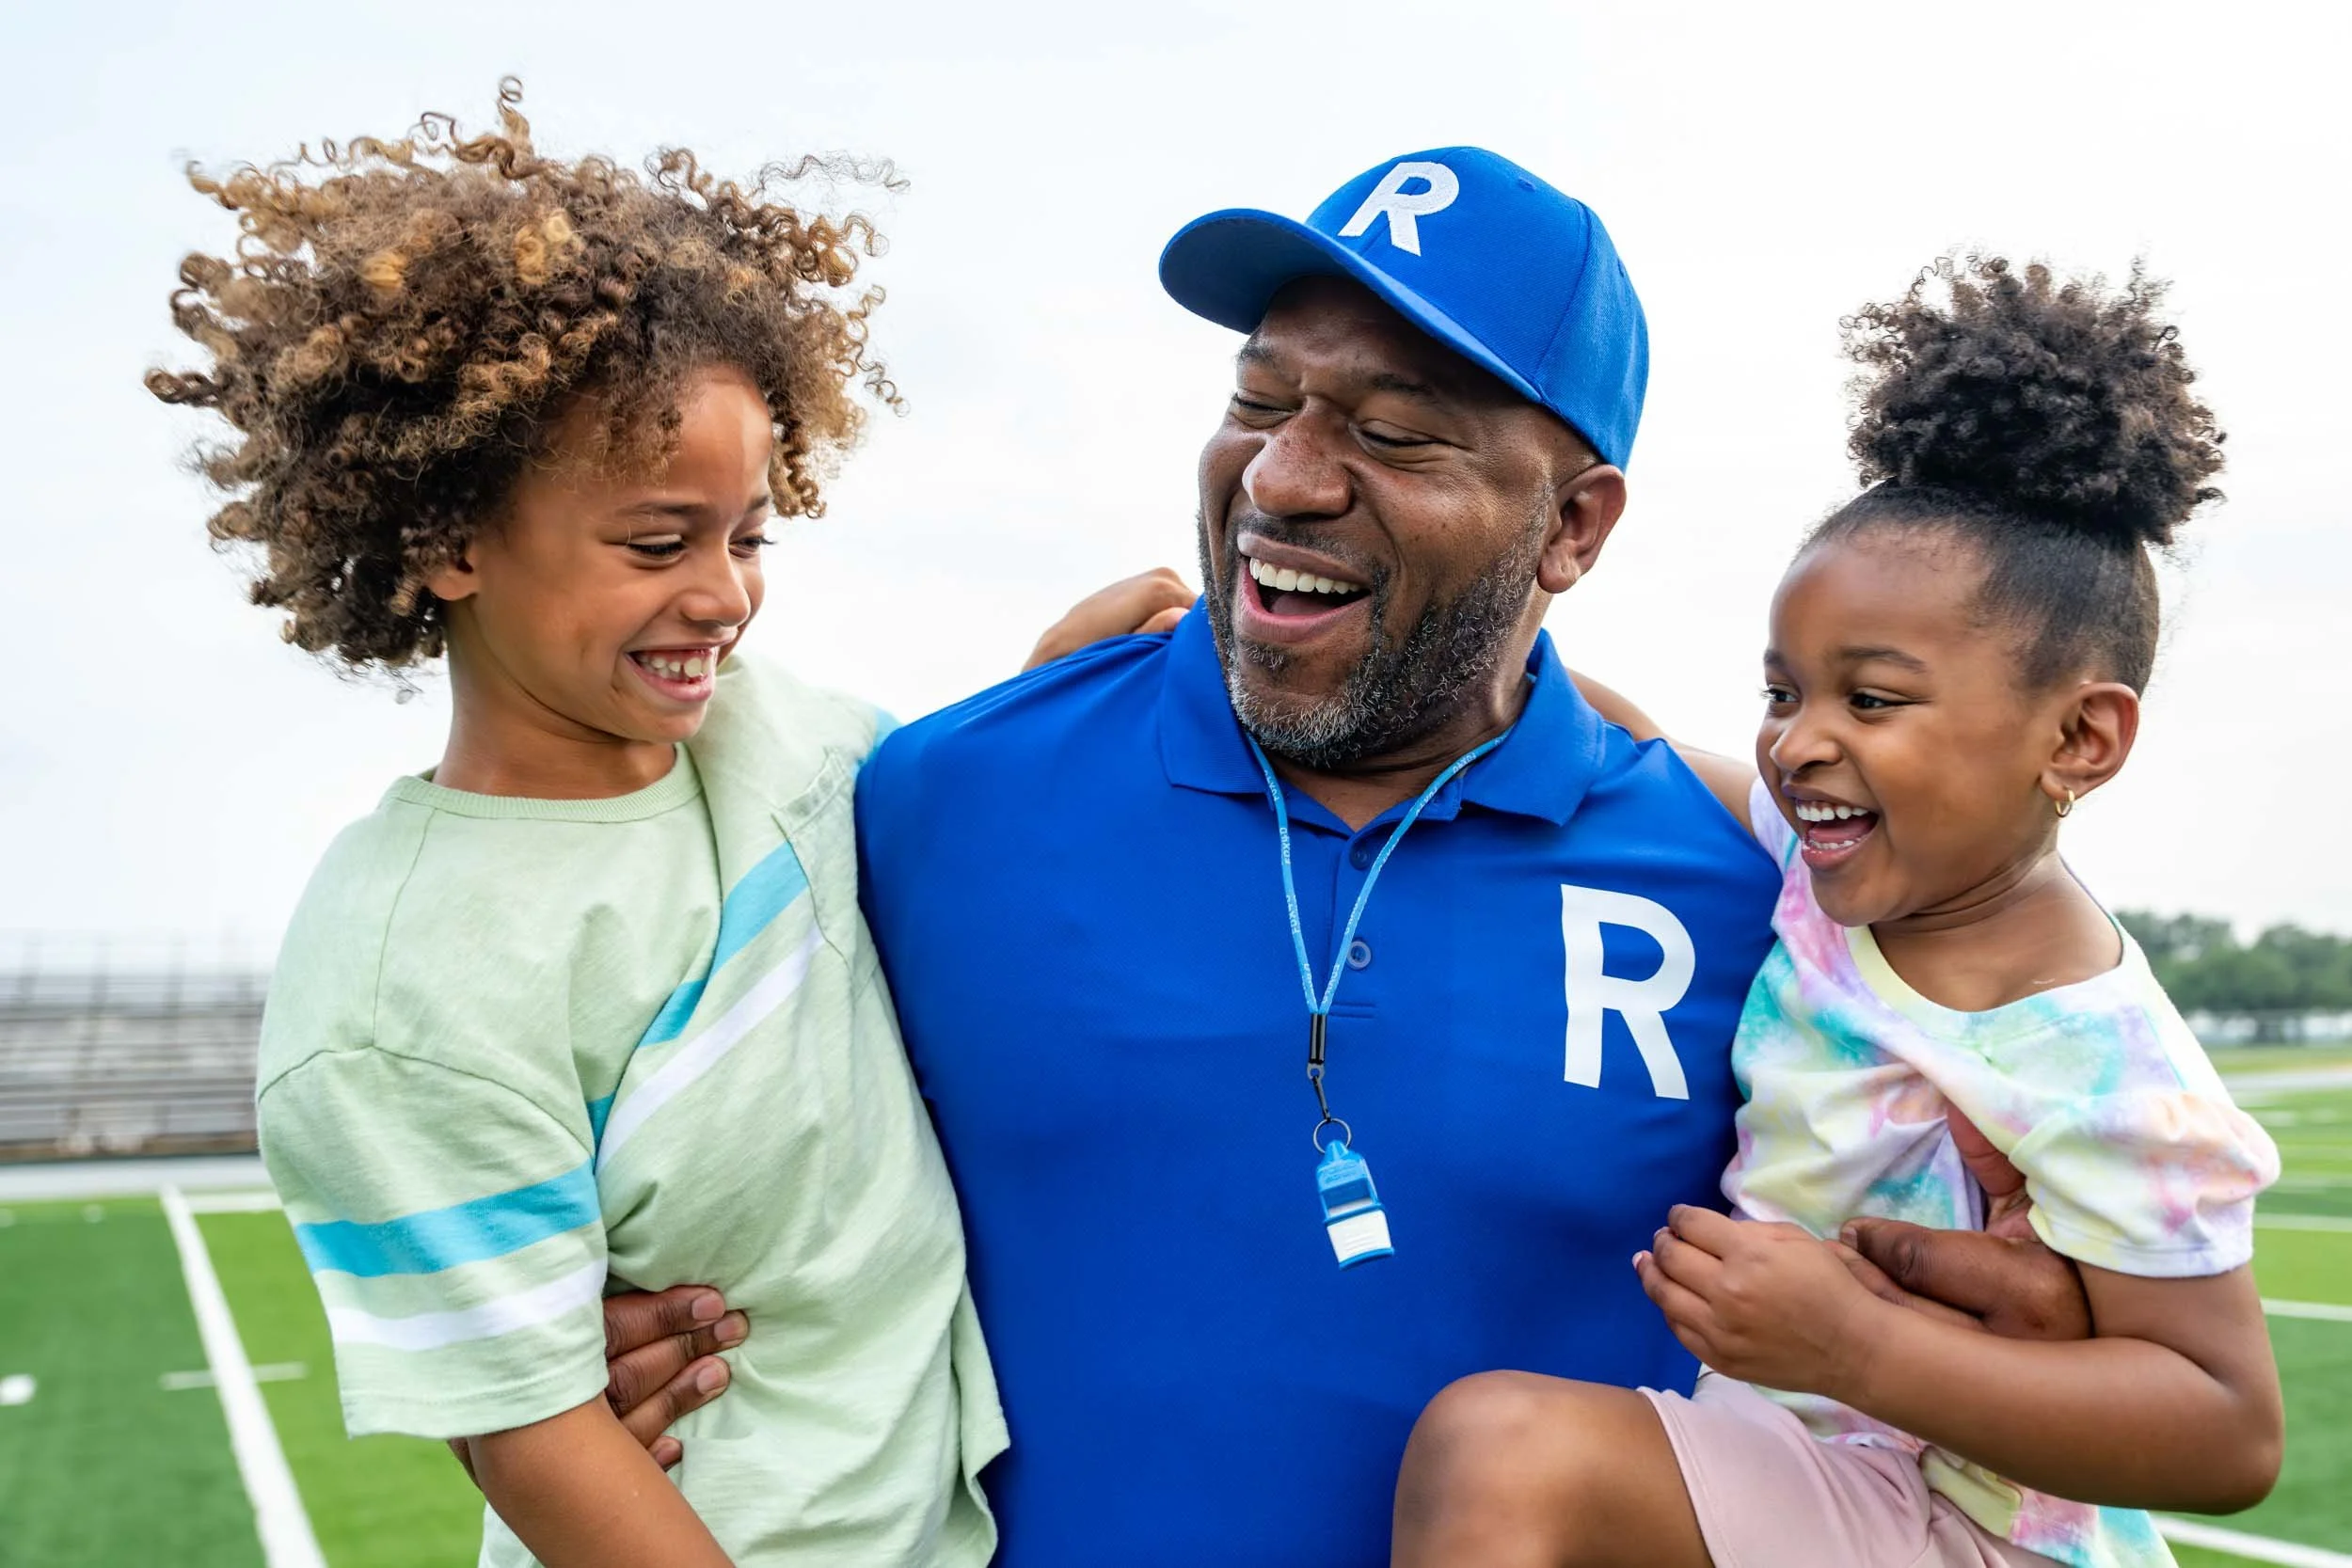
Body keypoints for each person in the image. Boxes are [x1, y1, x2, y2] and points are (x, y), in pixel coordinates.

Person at [596, 151, 2113, 1565]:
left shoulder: (1760, 893)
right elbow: (660, 1106)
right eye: (1260, 400)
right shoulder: (943, 792)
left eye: (1393, 435)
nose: (1285, 477)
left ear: (1574, 526)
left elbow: (2021, 1284)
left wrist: (2027, 1312)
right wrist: (610, 1309)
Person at [149, 84, 1176, 1568]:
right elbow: (537, 1430)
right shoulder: (397, 985)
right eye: (656, 541)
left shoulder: (789, 736)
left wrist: (1044, 692)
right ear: (450, 538)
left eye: (749, 533)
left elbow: (934, 852)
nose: (725, 594)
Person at [1389, 258, 2284, 1568]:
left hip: (1967, 1522)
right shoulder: (1830, 866)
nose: (1800, 741)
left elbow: (2227, 1431)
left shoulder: (2094, 1056)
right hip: (1805, 1467)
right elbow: (1619, 747)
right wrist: (1246, 646)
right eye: (1783, 692)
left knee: (1503, 1454)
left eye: (1871, 699)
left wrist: (1858, 1345)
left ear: (2079, 739)